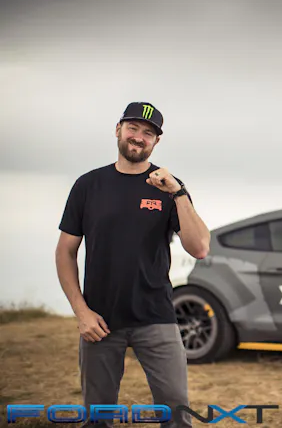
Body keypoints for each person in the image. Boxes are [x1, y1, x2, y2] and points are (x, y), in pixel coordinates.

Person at [55, 102, 210, 427]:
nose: (139, 137)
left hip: (157, 317)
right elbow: (65, 252)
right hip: (100, 322)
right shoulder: (88, 185)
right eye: (133, 128)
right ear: (118, 130)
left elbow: (199, 248)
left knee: (177, 415)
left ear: (156, 141)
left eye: (148, 133)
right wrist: (82, 313)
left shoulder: (170, 187)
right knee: (97, 418)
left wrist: (178, 192)